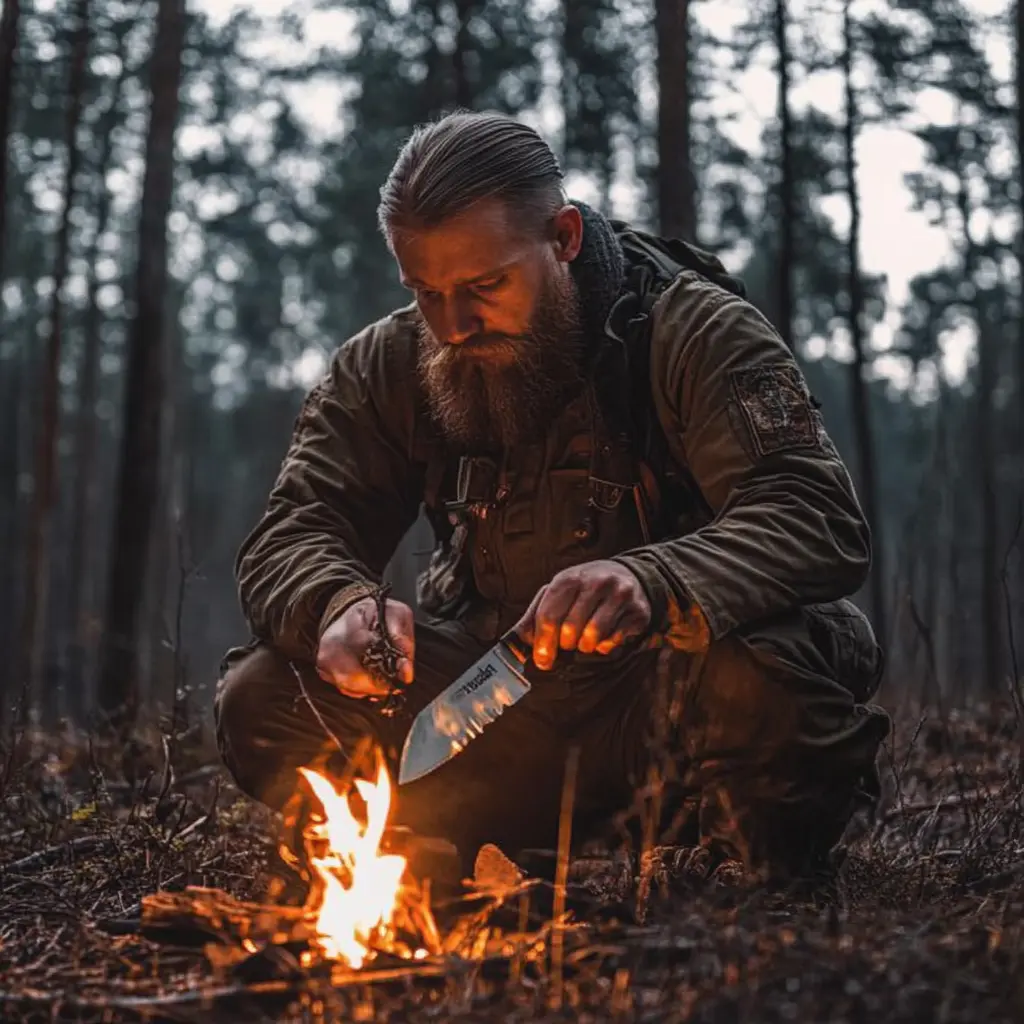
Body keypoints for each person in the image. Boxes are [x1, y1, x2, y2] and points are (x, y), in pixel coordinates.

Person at [214, 110, 890, 888]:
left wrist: (654, 579)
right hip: (494, 719)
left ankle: (716, 868)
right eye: (425, 291)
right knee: (266, 693)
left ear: (563, 238)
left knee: (765, 676)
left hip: (667, 717)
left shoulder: (692, 330)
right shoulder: (389, 364)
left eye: (485, 285)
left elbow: (815, 514)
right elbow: (295, 529)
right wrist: (334, 603)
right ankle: (418, 862)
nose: (454, 324)